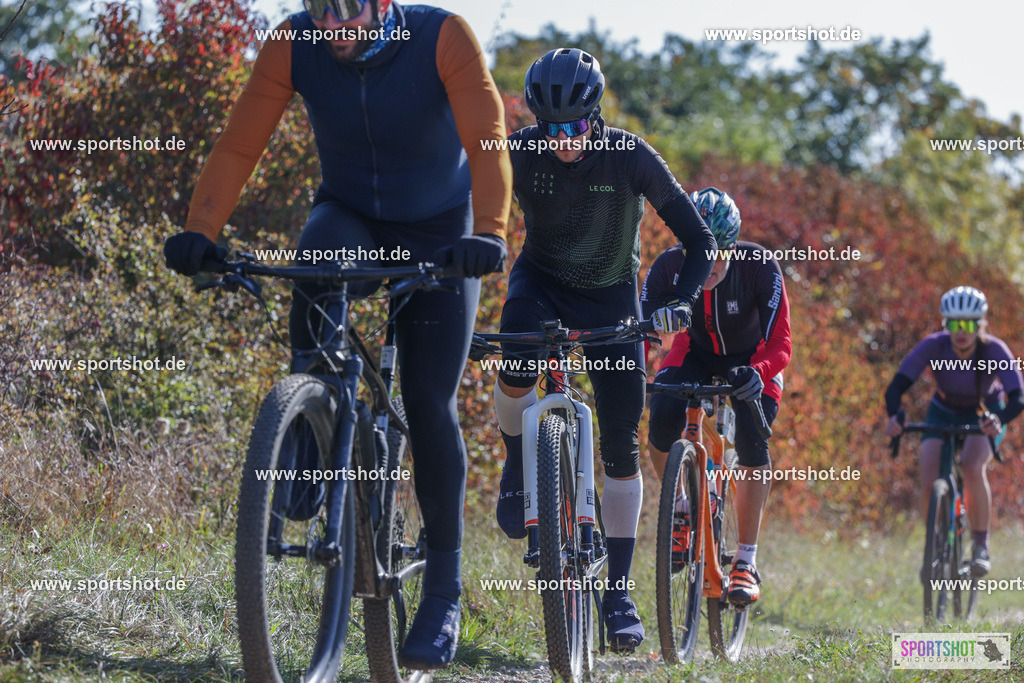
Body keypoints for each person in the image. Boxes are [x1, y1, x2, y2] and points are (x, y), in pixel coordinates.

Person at [162, 0, 512, 669]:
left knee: (429, 399)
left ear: (383, 7)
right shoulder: (294, 45)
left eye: (348, 11)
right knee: (315, 268)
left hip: (441, 233)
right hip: (348, 215)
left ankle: (443, 590)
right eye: (320, 9)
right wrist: (202, 232)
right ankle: (306, 435)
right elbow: (241, 144)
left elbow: (488, 138)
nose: (333, 26)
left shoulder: (442, 37)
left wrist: (488, 234)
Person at [492, 47, 716, 653]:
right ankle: (517, 463)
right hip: (540, 283)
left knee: (621, 443)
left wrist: (680, 303)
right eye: (552, 128)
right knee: (514, 367)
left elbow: (698, 243)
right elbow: (466, 204)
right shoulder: (520, 150)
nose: (565, 140)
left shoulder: (631, 156)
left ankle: (616, 589)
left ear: (596, 114)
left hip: (612, 295)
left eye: (577, 126)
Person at [642, 187, 791, 608]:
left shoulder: (760, 266)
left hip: (754, 361)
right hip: (695, 353)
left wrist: (758, 373)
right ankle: (682, 507)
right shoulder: (668, 267)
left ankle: (745, 560)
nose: (709, 263)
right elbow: (645, 333)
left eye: (719, 251)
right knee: (662, 414)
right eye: (699, 251)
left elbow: (781, 345)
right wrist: (632, 373)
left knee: (750, 437)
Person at [884, 286, 1024, 577]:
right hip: (943, 410)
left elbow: (1018, 396)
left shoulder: (994, 349)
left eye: (969, 324)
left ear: (980, 324)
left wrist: (998, 419)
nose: (961, 331)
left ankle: (981, 546)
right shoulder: (934, 345)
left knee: (973, 465)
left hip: (985, 412)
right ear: (945, 324)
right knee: (928, 472)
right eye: (954, 324)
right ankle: (934, 544)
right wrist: (895, 416)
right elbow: (897, 386)